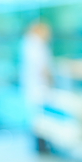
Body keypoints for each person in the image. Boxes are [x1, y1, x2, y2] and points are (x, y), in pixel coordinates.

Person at [20, 22, 53, 152]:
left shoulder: (27, 44)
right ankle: (41, 146)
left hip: (33, 86)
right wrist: (50, 80)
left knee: (35, 116)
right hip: (39, 86)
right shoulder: (37, 45)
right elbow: (42, 68)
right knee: (40, 117)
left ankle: (40, 145)